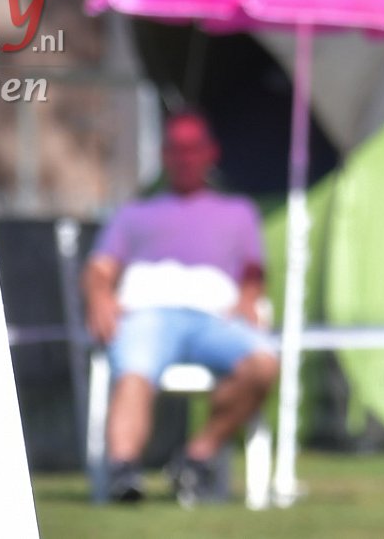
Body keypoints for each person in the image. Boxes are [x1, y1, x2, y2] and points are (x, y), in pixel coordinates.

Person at [82, 108, 279, 505]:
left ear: (210, 153)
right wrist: (99, 297)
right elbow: (100, 269)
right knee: (134, 369)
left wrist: (248, 297)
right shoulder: (134, 213)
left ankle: (196, 457)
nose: (185, 157)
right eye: (176, 149)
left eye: (193, 148)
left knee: (264, 363)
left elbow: (254, 272)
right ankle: (124, 471)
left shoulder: (238, 212)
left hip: (215, 316)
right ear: (164, 155)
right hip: (147, 312)